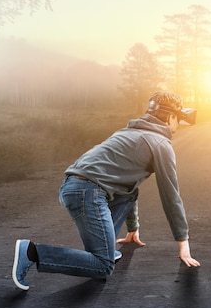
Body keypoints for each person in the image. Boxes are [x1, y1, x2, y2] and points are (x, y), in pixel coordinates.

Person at [12, 92, 200, 291]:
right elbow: (171, 197)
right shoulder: (161, 143)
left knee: (128, 193)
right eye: (177, 119)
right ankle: (32, 252)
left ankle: (106, 248)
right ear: (171, 117)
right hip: (88, 192)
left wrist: (132, 228)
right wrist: (183, 244)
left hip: (74, 185)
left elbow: (128, 187)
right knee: (102, 266)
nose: (178, 125)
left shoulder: (127, 132)